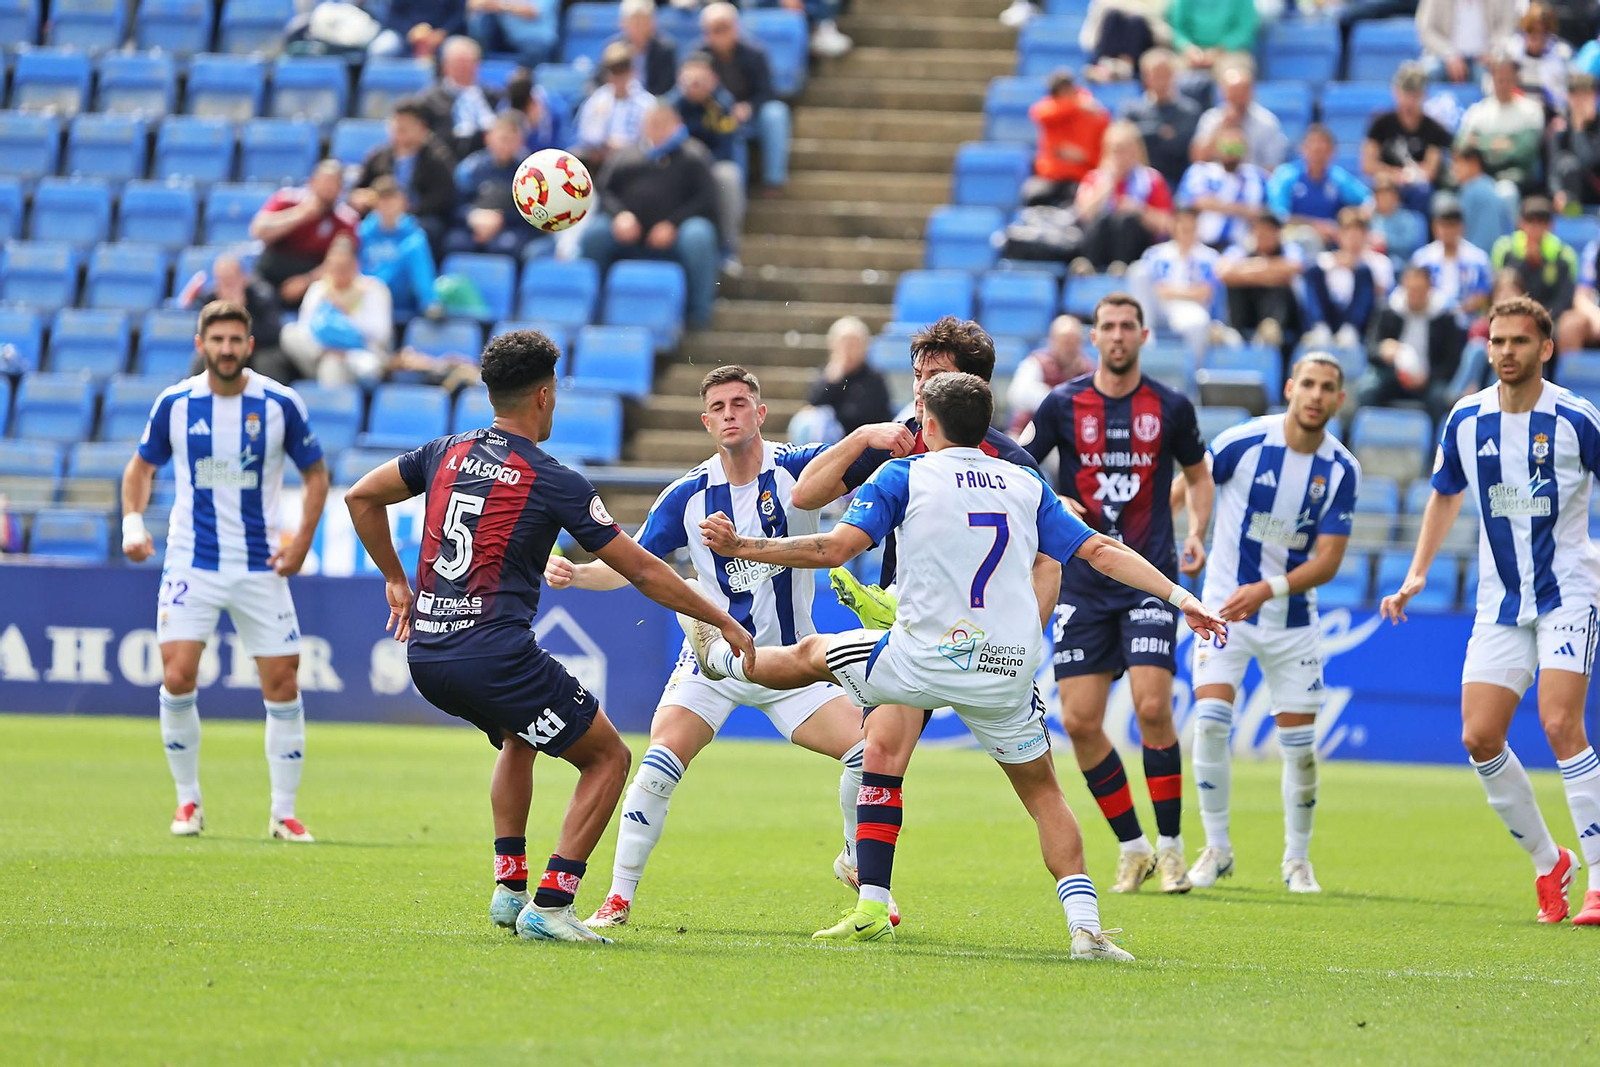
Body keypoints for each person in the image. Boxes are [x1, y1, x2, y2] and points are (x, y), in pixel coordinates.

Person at [684, 370, 1228, 954]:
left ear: (932, 425)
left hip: (923, 658)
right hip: (1006, 665)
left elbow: (834, 548)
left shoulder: (906, 474)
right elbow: (1099, 550)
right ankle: (1086, 931)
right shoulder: (1024, 481)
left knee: (815, 656)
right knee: (1043, 792)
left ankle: (720, 661)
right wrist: (1183, 598)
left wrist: (744, 547)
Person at [342, 330, 756, 943]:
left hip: (428, 654)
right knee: (608, 758)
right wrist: (722, 619)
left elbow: (360, 496)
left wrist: (397, 582)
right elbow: (642, 568)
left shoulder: (445, 451)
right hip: (494, 653)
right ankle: (552, 903)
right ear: (543, 395)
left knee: (520, 733)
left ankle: (509, 888)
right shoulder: (551, 478)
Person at [544, 365, 889, 930]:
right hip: (713, 661)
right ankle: (618, 898)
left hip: (789, 662)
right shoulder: (687, 495)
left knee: (868, 752)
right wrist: (580, 576)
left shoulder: (799, 468)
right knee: (657, 765)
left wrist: (878, 433)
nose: (730, 414)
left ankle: (855, 859)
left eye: (739, 403)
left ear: (760, 412)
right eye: (719, 408)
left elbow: (870, 464)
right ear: (707, 422)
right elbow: (635, 563)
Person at [1379, 295, 1600, 927]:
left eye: (1519, 342)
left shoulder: (1576, 419)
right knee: (1479, 736)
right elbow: (1444, 494)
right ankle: (1548, 860)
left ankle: (1599, 882)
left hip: (1569, 594)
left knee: (1562, 725)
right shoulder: (1466, 419)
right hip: (1500, 603)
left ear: (1546, 349)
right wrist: (1417, 572)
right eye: (1497, 342)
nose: (1506, 352)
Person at [1019, 293, 1213, 894]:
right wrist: (1055, 500)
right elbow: (1019, 466)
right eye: (1109, 326)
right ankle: (1134, 847)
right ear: (1094, 337)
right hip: (1081, 581)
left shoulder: (1171, 407)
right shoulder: (1061, 403)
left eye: (1129, 326)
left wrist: (1198, 531)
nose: (1119, 335)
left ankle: (1175, 847)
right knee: (1079, 721)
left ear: (1144, 335)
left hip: (1148, 576)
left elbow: (1198, 473)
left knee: (1154, 708)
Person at [120, 301, 330, 843]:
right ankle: (188, 802)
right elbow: (141, 467)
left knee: (282, 682)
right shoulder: (175, 403)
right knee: (177, 675)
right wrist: (132, 523)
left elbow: (316, 476)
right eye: (218, 340)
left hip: (261, 564)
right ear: (201, 344)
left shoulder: (280, 403)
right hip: (192, 560)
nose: (227, 349)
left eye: (236, 340)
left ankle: (283, 812)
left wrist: (302, 541)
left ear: (249, 345)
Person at [1187, 351, 1360, 894]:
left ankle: (1297, 859)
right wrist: (1193, 530)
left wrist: (1267, 589)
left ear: (1339, 399)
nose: (1315, 394)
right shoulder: (1244, 442)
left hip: (1290, 622)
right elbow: (1193, 483)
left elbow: (1328, 560)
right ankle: (1216, 848)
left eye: (1326, 387)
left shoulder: (1341, 469)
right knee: (1211, 721)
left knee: (1300, 747)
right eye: (1307, 383)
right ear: (1290, 388)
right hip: (1221, 610)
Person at [579, 104, 721, 329]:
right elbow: (604, 191)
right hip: (628, 231)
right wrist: (620, 215)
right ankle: (592, 310)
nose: (658, 130)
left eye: (664, 125)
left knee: (699, 235)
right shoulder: (625, 155)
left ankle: (697, 315)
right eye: (652, 124)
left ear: (677, 125)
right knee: (595, 235)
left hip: (676, 232)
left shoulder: (694, 155)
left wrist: (673, 224)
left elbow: (707, 199)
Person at [666, 51, 748, 265]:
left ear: (713, 80)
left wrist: (699, 166)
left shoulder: (722, 105)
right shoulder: (670, 106)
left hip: (709, 168)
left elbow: (726, 150)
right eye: (689, 80)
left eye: (700, 80)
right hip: (673, 169)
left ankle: (727, 251)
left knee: (728, 176)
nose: (694, 85)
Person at [279, 236, 394, 387]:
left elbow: (381, 335)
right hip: (318, 353)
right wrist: (327, 348)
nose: (338, 273)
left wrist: (345, 309)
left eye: (343, 267)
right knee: (290, 333)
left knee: (332, 364)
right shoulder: (318, 289)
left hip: (359, 356)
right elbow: (304, 328)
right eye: (333, 266)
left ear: (355, 265)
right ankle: (326, 356)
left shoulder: (374, 289)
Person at [699, 2, 789, 194]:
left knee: (776, 113)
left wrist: (748, 107)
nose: (718, 34)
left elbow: (767, 91)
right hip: (715, 117)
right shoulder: (699, 57)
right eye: (712, 29)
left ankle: (773, 181)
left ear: (735, 27)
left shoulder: (755, 53)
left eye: (723, 28)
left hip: (750, 115)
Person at [248, 160, 361, 308]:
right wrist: (301, 215)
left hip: (312, 280)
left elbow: (341, 262)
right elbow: (258, 230)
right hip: (271, 273)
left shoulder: (346, 220)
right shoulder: (286, 199)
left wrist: (306, 281)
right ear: (312, 182)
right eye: (324, 182)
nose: (328, 188)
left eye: (334, 184)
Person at [353, 98, 458, 255]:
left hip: (419, 217)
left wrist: (408, 209)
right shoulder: (378, 157)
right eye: (395, 128)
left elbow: (443, 196)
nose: (398, 133)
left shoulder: (438, 159)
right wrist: (360, 197)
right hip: (379, 216)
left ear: (422, 128)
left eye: (404, 129)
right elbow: (359, 188)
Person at [1362, 264, 1466, 422]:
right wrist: (1383, 351)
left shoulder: (1445, 318)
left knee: (1439, 399)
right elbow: (1370, 348)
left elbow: (1452, 362)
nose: (1415, 295)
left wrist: (1427, 377)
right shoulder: (1388, 312)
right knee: (1368, 390)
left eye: (1420, 290)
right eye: (1411, 289)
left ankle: (1436, 444)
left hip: (1429, 379)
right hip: (1392, 374)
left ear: (1429, 289)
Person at [1073, 120, 1173, 270]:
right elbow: (1083, 214)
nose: (1121, 156)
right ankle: (1089, 267)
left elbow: (1166, 225)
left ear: (1136, 150)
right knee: (1103, 219)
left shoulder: (1151, 180)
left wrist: (1139, 210)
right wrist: (1107, 186)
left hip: (1136, 251)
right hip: (1103, 245)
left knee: (1127, 220)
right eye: (1115, 150)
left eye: (1126, 150)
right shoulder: (1095, 179)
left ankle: (1121, 266)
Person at [1363, 63, 1453, 216]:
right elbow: (1368, 164)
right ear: (1395, 92)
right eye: (1405, 94)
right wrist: (1395, 175)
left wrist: (1411, 175)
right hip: (1386, 185)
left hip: (1417, 189)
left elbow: (1430, 170)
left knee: (1422, 191)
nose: (1409, 102)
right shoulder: (1380, 124)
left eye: (1415, 95)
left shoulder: (1434, 129)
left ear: (1424, 95)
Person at [1132, 204, 1221, 354]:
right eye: (1182, 224)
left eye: (1190, 225)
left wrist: (1169, 292)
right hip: (1158, 308)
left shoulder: (1209, 256)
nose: (1186, 229)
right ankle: (1144, 334)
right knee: (1138, 271)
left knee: (1198, 323)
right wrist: (1181, 291)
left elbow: (1204, 294)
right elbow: (1150, 288)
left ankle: (1194, 373)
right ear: (1174, 225)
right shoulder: (1155, 254)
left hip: (1188, 308)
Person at [186, 255, 289, 383]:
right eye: (221, 280)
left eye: (230, 279)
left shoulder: (261, 295)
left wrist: (242, 310)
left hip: (258, 349)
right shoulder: (210, 298)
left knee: (268, 362)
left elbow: (272, 334)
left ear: (243, 278)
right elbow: (201, 333)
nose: (226, 285)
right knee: (201, 359)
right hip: (224, 347)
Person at [1266, 125, 1374, 249]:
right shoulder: (1286, 175)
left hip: (1333, 238)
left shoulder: (1338, 177)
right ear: (1303, 149)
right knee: (1307, 238)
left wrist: (1353, 220)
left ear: (1332, 152)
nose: (1318, 153)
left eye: (1323, 149)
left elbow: (1368, 199)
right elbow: (1278, 215)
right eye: (1313, 147)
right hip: (1294, 238)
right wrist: (1314, 226)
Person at [1456, 53, 1548, 194]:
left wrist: (1480, 144)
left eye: (1508, 79)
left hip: (1517, 178)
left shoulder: (1532, 110)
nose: (1503, 84)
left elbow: (1524, 152)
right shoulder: (1478, 111)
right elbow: (1460, 145)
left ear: (1516, 79)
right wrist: (1498, 144)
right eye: (1499, 79)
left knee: (1506, 191)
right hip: (1480, 178)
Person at [449, 112, 538, 258]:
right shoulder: (471, 167)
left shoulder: (528, 172)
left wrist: (501, 219)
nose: (506, 145)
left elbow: (533, 212)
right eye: (502, 139)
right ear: (489, 138)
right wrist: (472, 216)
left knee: (506, 247)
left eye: (512, 140)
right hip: (473, 223)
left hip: (512, 227)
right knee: (456, 243)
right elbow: (455, 204)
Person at [1217, 209, 1306, 355]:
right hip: (1248, 311)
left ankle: (1270, 328)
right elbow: (1224, 272)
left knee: (1280, 287)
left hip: (1284, 317)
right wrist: (1267, 273)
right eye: (1259, 230)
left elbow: (1293, 268)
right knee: (1235, 286)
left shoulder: (1289, 248)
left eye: (1269, 230)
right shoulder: (1240, 249)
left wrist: (1246, 272)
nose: (1263, 235)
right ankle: (1235, 332)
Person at [794, 316, 893, 442]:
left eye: (854, 344)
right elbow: (812, 404)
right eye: (845, 343)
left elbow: (873, 414)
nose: (849, 349)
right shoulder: (827, 373)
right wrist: (833, 379)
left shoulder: (874, 378)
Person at [1302, 207, 1386, 351]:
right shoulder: (1326, 260)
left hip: (1362, 321)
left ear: (1366, 235)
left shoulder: (1378, 262)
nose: (1353, 240)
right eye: (1349, 234)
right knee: (1313, 271)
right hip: (1331, 316)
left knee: (1363, 272)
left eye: (1358, 235)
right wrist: (1335, 266)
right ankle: (1319, 326)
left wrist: (1353, 267)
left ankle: (1350, 329)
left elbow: (1380, 296)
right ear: (1340, 235)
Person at [1176, 119, 1269, 249]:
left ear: (1246, 149)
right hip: (1201, 246)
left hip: (1241, 249)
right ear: (1216, 147)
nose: (1231, 152)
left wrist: (1218, 205)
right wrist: (1245, 210)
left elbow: (1265, 213)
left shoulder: (1258, 177)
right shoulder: (1201, 171)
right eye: (1227, 146)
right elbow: (1199, 201)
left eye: (1236, 147)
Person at [357, 177, 439, 324]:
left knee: (414, 248)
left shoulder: (413, 236)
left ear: (402, 202)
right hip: (367, 298)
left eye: (392, 200)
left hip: (401, 298)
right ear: (374, 204)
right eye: (383, 200)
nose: (388, 206)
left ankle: (429, 303)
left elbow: (422, 272)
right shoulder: (363, 233)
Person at [1023, 69, 1110, 208]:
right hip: (1050, 176)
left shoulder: (1092, 114)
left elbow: (1103, 149)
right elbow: (1039, 113)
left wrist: (1084, 157)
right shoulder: (1053, 110)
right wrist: (1076, 104)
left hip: (1080, 177)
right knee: (1034, 194)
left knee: (1080, 201)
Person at [1121, 48, 1200, 190]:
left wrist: (1143, 135)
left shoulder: (1190, 110)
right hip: (1139, 184)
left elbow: (1181, 147)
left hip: (1177, 182)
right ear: (1145, 77)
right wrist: (1158, 131)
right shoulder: (1131, 110)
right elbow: (1125, 140)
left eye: (1166, 74)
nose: (1161, 80)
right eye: (1155, 75)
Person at [1491, 196, 1580, 319]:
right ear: (1520, 222)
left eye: (1541, 222)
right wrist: (1523, 262)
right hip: (1511, 315)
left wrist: (1540, 318)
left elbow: (1565, 299)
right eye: (1530, 221)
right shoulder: (1505, 248)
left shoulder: (1564, 254)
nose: (1535, 227)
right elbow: (1500, 288)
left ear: (1550, 225)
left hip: (1551, 318)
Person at [570, 42, 656, 170]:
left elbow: (652, 142)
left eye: (623, 70)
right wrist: (604, 142)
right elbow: (585, 136)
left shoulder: (647, 103)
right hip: (600, 162)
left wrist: (624, 146)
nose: (618, 77)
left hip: (635, 164)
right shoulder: (597, 100)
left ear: (632, 71)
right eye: (614, 71)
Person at [1007, 315, 1096, 435]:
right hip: (1028, 434)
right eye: (1064, 342)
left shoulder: (1088, 369)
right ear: (1053, 341)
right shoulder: (1037, 362)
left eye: (1073, 341)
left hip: (1070, 437)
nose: (1069, 348)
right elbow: (1018, 394)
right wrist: (1061, 400)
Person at [1193, 62, 1289, 172]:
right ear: (1222, 93)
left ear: (1251, 92)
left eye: (1242, 91)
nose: (1237, 97)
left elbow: (1273, 166)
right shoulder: (1211, 119)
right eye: (1233, 92)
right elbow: (1198, 160)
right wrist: (1222, 127)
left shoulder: (1267, 122)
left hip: (1254, 182)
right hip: (1215, 183)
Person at [1411, 193, 1496, 315]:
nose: (1447, 231)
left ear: (1461, 227)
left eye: (1452, 225)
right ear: (1434, 227)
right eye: (1443, 225)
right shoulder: (1422, 259)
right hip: (1430, 318)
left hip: (1467, 320)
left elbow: (1484, 292)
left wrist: (1460, 309)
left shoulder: (1478, 259)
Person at [422, 36, 499, 160]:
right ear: (445, 65)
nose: (463, 68)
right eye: (458, 63)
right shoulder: (429, 100)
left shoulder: (493, 96)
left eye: (468, 63)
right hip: (445, 161)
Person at [1417, 0, 1520, 84]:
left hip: (1486, 59)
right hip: (1443, 57)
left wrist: (1493, 50)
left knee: (1494, 81)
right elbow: (1426, 29)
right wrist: (1450, 55)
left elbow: (1508, 25)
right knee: (1425, 75)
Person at [1080, 0, 1170, 84]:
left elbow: (1164, 34)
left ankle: (1124, 67)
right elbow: (1090, 35)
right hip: (1110, 49)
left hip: (1144, 52)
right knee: (1114, 16)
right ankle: (1109, 65)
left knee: (1137, 22)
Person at [1550, 71, 1600, 213]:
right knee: (1567, 162)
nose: (1579, 100)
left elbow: (1589, 160)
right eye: (1575, 95)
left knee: (1571, 163)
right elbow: (1553, 165)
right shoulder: (1561, 125)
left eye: (1585, 94)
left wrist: (1579, 129)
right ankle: (1571, 212)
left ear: (1594, 96)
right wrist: (1556, 193)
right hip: (1571, 193)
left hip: (1595, 191)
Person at [1452, 148, 1518, 256]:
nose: (1454, 168)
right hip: (1500, 257)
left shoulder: (1471, 190)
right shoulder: (1491, 185)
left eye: (1458, 162)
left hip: (1475, 260)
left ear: (1474, 162)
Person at [1507, 2, 1573, 109]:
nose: (1537, 41)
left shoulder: (1562, 56)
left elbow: (1565, 97)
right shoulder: (1511, 55)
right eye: (1532, 34)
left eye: (1542, 35)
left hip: (1551, 116)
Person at [1167, 0, 1258, 75]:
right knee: (1165, 73)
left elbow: (1245, 30)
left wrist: (1221, 49)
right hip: (1192, 53)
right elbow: (1177, 30)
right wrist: (1188, 48)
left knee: (1235, 77)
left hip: (1230, 53)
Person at [609, 0, 677, 97]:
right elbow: (598, 81)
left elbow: (667, 86)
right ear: (623, 23)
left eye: (643, 22)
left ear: (653, 24)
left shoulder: (665, 49)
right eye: (634, 22)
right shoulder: (614, 46)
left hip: (654, 104)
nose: (638, 27)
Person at [466, 0, 555, 68]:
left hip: (535, 41)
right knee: (481, 23)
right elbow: (473, 4)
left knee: (533, 51)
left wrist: (501, 6)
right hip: (505, 38)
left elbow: (532, 11)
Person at [502, 67, 571, 154]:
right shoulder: (505, 107)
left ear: (532, 103)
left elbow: (563, 147)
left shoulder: (556, 111)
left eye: (526, 114)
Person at [1369, 173, 1428, 269]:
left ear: (1396, 197)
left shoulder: (1408, 219)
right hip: (1375, 266)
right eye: (1380, 195)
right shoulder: (1371, 218)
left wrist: (1386, 242)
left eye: (1387, 195)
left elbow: (1410, 243)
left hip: (1402, 267)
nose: (1384, 199)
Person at [370, 0, 464, 59]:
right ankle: (377, 90)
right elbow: (393, 16)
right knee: (381, 48)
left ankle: (452, 90)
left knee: (460, 52)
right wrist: (410, 32)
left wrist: (443, 32)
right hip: (406, 34)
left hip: (443, 36)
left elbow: (459, 14)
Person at [1556, 237, 1600, 352]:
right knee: (1570, 324)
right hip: (1596, 316)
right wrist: (1596, 316)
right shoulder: (1594, 250)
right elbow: (1581, 296)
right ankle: (1572, 370)